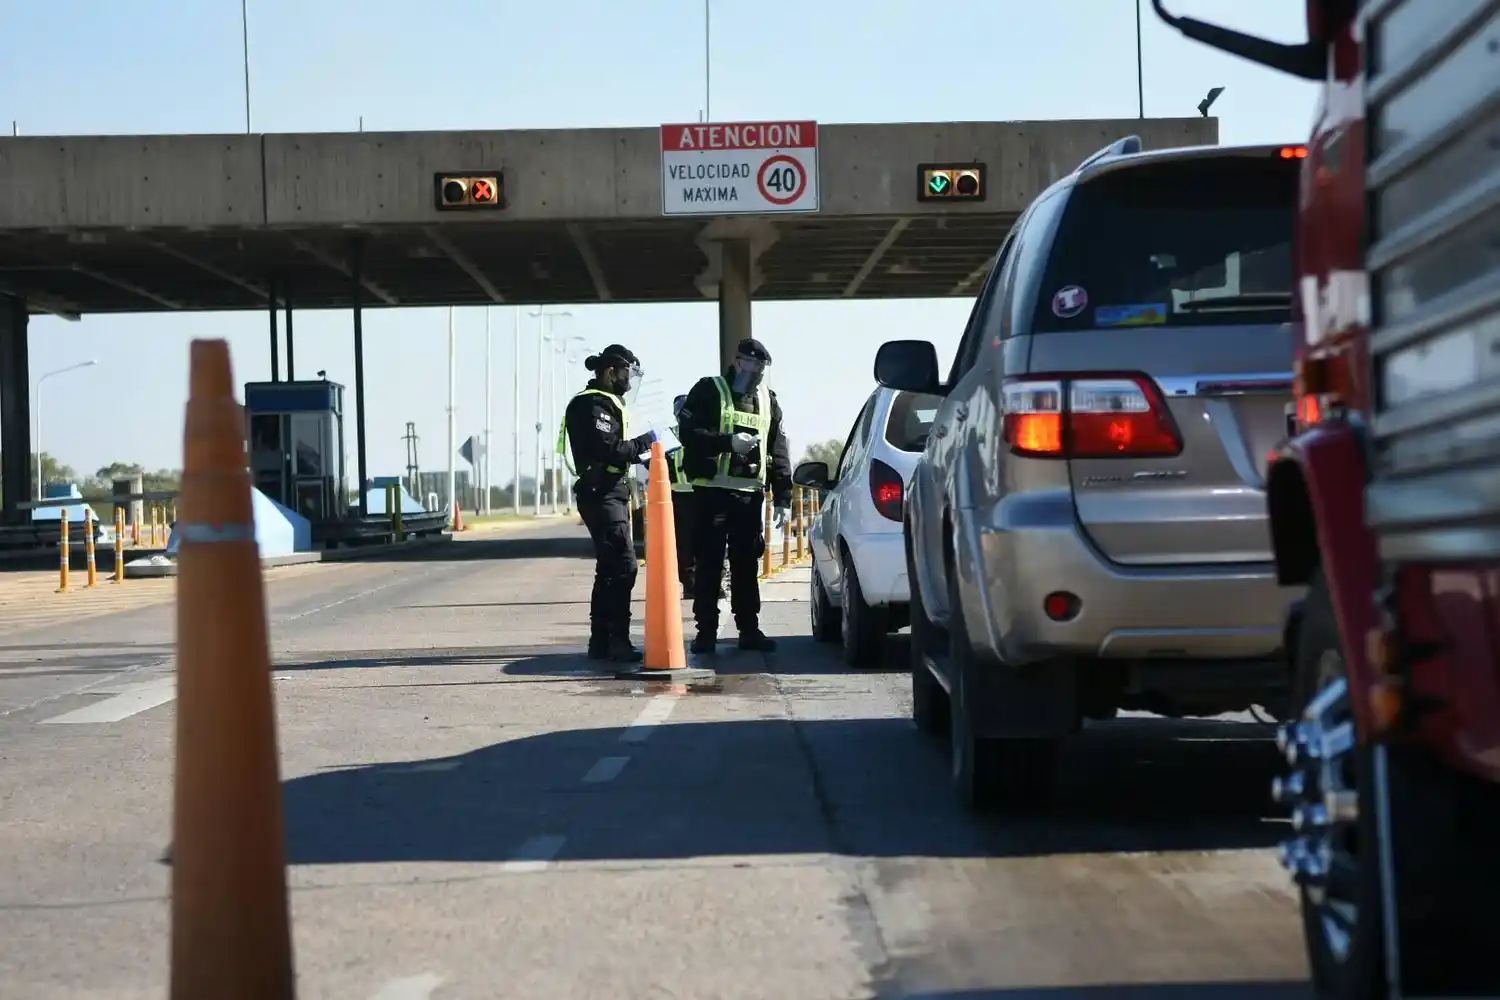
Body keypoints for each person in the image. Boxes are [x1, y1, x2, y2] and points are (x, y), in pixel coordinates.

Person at [676, 338, 791, 654]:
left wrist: (784, 495)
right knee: (709, 563)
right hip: (712, 492)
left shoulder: (768, 400)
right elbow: (689, 433)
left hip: (749, 496)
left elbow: (778, 448)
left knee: (745, 564)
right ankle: (706, 633)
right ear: (738, 362)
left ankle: (749, 630)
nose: (756, 372)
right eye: (751, 365)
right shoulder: (709, 389)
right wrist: (727, 442)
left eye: (761, 367)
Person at [558, 344, 659, 663]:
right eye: (627, 372)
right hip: (599, 491)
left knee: (610, 567)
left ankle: (600, 641)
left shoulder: (608, 402)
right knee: (622, 565)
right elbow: (610, 449)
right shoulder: (592, 405)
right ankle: (616, 640)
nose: (630, 381)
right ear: (610, 371)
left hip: (612, 490)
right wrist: (649, 440)